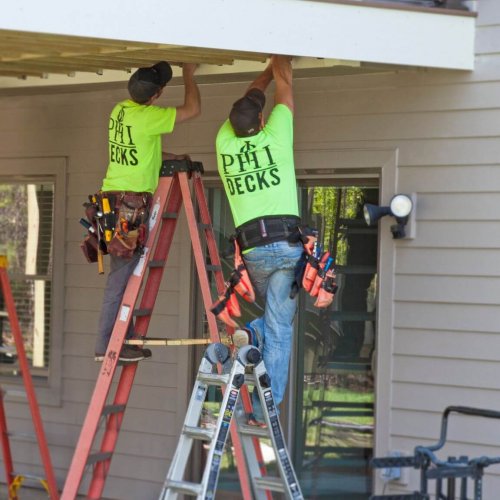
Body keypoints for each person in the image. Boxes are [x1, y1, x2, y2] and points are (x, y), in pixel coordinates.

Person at [94, 61, 201, 363]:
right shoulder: (150, 117)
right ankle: (106, 345)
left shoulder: (120, 111)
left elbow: (141, 150)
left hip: (110, 202)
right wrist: (189, 74)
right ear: (155, 96)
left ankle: (117, 338)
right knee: (120, 277)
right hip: (129, 208)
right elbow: (193, 109)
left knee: (122, 274)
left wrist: (171, 157)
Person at [215, 55, 303, 424]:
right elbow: (285, 86)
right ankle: (269, 405)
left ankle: (250, 332)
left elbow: (249, 100)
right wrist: (278, 60)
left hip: (253, 252)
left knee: (277, 322)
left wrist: (266, 71)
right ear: (262, 122)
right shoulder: (278, 135)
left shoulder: (223, 143)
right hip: (286, 245)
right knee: (280, 326)